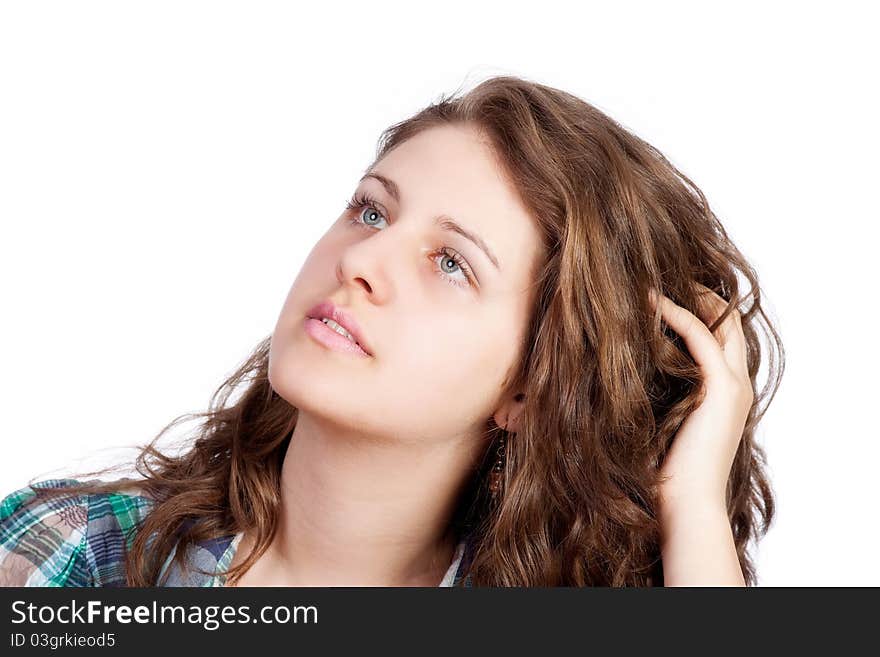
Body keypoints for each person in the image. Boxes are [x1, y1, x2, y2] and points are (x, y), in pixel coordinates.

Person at [0, 75, 784, 587]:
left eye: (451, 262)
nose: (364, 258)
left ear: (528, 386)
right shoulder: (77, 553)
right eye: (372, 210)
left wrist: (691, 507)